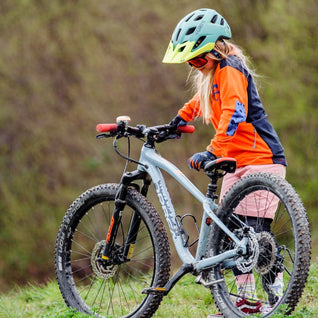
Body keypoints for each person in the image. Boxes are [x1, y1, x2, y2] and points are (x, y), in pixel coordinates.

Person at [163, 8, 287, 316]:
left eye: (197, 59)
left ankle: (280, 298)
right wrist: (178, 120)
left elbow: (233, 112)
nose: (194, 66)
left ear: (214, 49)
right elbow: (200, 101)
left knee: (256, 234)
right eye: (190, 62)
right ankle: (246, 301)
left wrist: (212, 151)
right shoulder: (213, 75)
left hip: (262, 159)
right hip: (235, 162)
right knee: (232, 233)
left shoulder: (231, 67)